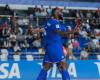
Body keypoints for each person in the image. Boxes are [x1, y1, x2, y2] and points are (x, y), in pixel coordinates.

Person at [36, 8, 70, 80]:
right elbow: (60, 33)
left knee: (47, 66)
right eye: (59, 11)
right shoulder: (55, 23)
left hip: (50, 47)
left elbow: (43, 30)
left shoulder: (50, 22)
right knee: (64, 65)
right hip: (55, 47)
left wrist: (36, 30)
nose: (61, 12)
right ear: (55, 13)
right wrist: (72, 32)